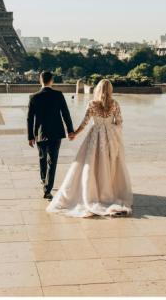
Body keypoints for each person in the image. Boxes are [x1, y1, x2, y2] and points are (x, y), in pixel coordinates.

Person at [47, 78, 133, 217]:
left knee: (91, 164)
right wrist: (110, 129)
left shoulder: (92, 104)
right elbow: (120, 122)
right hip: (110, 138)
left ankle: (93, 193)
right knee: (109, 165)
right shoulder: (115, 104)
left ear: (98, 89)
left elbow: (85, 123)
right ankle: (107, 192)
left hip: (95, 137)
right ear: (110, 90)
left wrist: (74, 133)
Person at [27, 71, 75, 200]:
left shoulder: (34, 97)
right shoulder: (58, 95)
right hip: (56, 133)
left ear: (40, 80)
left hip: (40, 134)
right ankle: (47, 189)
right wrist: (70, 130)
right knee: (52, 162)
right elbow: (66, 114)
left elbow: (29, 119)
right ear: (51, 81)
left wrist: (30, 136)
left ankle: (44, 180)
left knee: (42, 158)